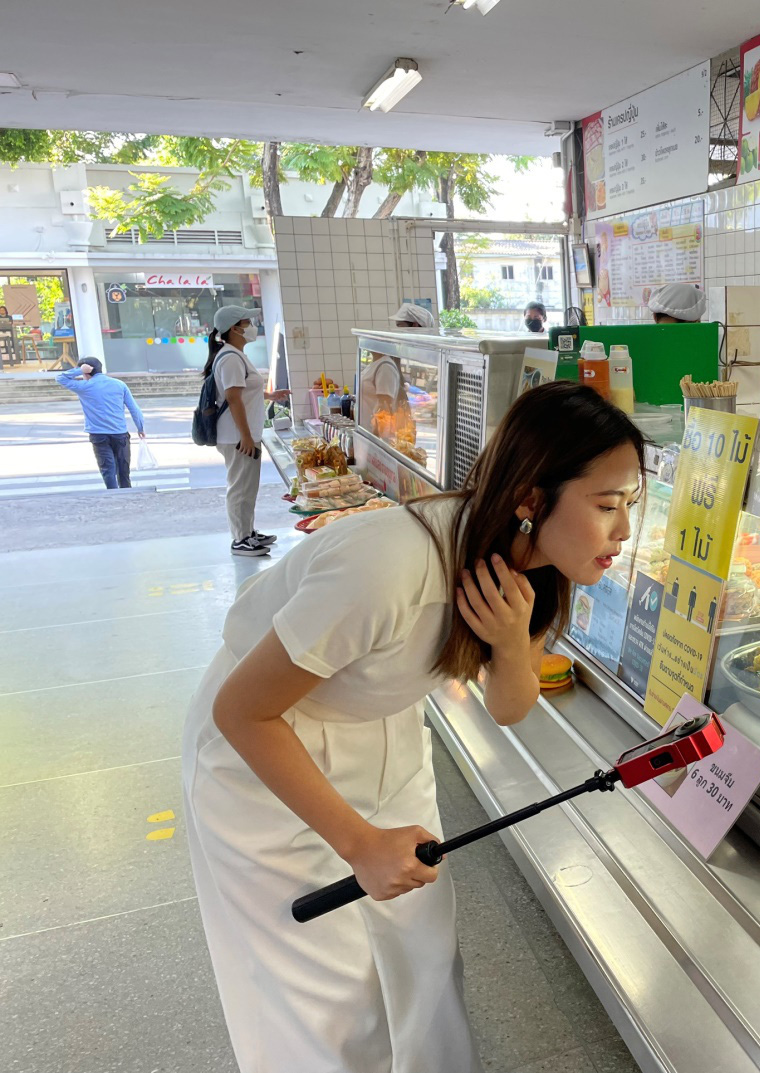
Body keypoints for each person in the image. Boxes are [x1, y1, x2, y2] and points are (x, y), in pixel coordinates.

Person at [180, 381, 644, 1072]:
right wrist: (359, 841)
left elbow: (510, 707)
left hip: (383, 732)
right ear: (529, 497)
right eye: (607, 505)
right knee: (328, 1004)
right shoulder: (388, 564)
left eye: (632, 504)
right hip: (267, 756)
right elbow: (243, 709)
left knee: (424, 963)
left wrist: (514, 643)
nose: (624, 530)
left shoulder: (532, 569)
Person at [207, 305, 288, 557]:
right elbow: (233, 398)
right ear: (235, 328)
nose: (252, 326)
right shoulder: (230, 357)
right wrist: (245, 436)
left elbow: (242, 389)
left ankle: (248, 532)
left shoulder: (235, 353)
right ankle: (240, 539)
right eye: (247, 322)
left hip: (243, 433)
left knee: (247, 486)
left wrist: (269, 395)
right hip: (237, 436)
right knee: (240, 487)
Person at [55, 357, 146, 490]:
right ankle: (127, 494)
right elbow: (134, 409)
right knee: (123, 470)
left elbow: (60, 378)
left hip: (98, 435)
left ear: (85, 372)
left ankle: (112, 494)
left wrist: (77, 371)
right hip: (120, 434)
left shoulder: (83, 387)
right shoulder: (119, 385)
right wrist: (140, 427)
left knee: (107, 469)